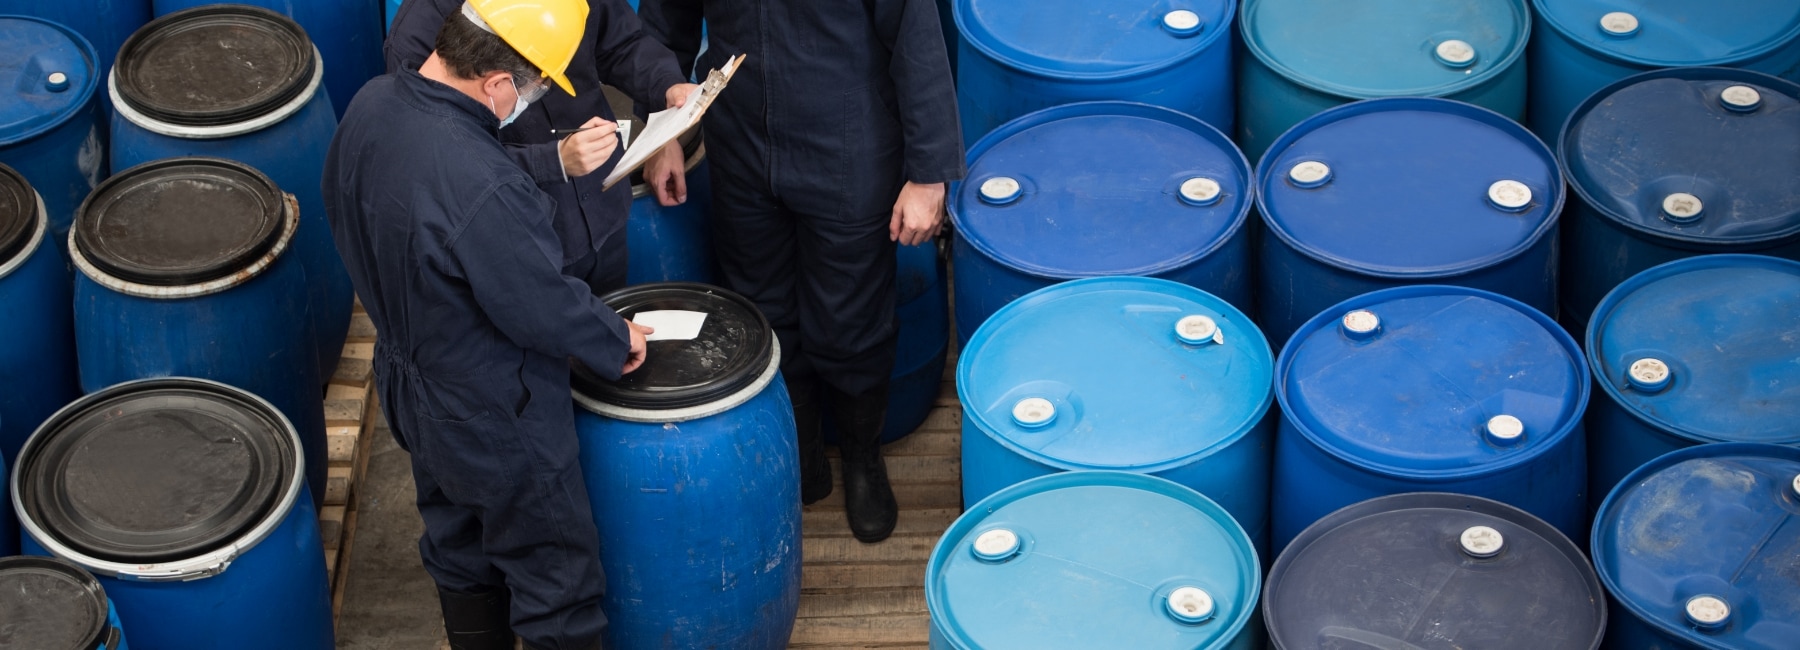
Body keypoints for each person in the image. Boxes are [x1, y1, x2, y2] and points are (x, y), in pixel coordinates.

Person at [322, 2, 654, 648]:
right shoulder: (484, 188)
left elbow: (379, 196)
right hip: (497, 414)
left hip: (411, 385)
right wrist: (615, 339)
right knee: (558, 582)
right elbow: (541, 303)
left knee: (457, 546)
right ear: (498, 84)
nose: (528, 101)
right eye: (530, 88)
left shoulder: (369, 106)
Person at [638, 0, 965, 543]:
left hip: (847, 142)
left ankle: (863, 461)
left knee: (851, 318)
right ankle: (802, 457)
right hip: (739, 144)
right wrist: (664, 131)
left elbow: (917, 38)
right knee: (762, 307)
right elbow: (662, 28)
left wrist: (929, 176)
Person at [386, 0, 697, 297]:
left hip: (603, 211)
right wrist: (553, 161)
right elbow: (437, 162)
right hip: (519, 241)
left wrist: (666, 85)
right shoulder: (418, 33)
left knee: (615, 338)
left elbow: (621, 43)